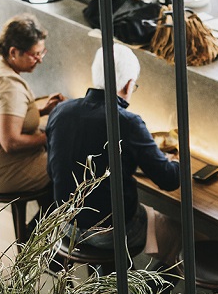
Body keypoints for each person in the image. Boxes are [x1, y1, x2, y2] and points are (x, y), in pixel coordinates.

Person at [45, 43, 180, 261]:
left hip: (67, 226)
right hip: (110, 233)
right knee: (178, 234)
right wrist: (177, 160)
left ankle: (114, 284)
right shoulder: (128, 122)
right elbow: (169, 180)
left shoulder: (61, 111)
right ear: (128, 85)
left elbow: (52, 171)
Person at [0, 14, 64, 198]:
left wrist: (42, 111)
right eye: (35, 54)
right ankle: (53, 225)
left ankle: (44, 222)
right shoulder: (9, 85)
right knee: (71, 162)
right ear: (13, 52)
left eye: (42, 53)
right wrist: (51, 137)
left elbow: (2, 117)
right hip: (3, 170)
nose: (40, 60)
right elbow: (11, 142)